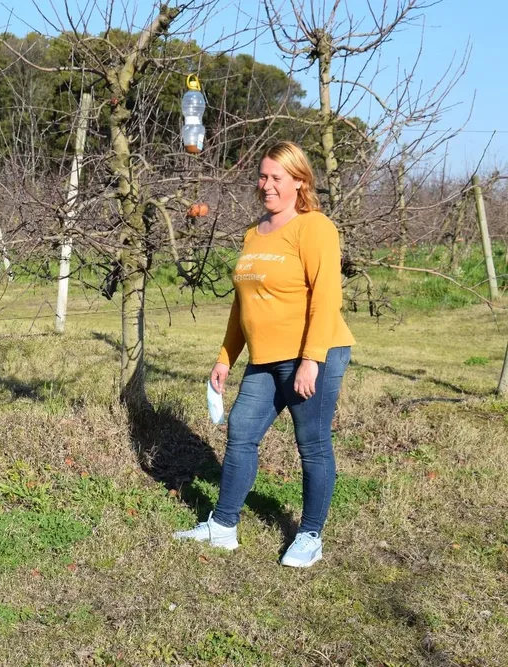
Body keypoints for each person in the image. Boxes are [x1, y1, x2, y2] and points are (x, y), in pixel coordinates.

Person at [174, 141, 356, 568]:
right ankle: (223, 526)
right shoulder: (254, 233)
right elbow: (244, 305)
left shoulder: (315, 228)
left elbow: (326, 297)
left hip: (313, 352)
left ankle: (310, 535)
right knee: (240, 430)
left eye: (276, 177)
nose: (267, 185)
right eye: (262, 176)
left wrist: (312, 358)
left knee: (311, 443)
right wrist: (225, 357)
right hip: (265, 357)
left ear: (299, 181)